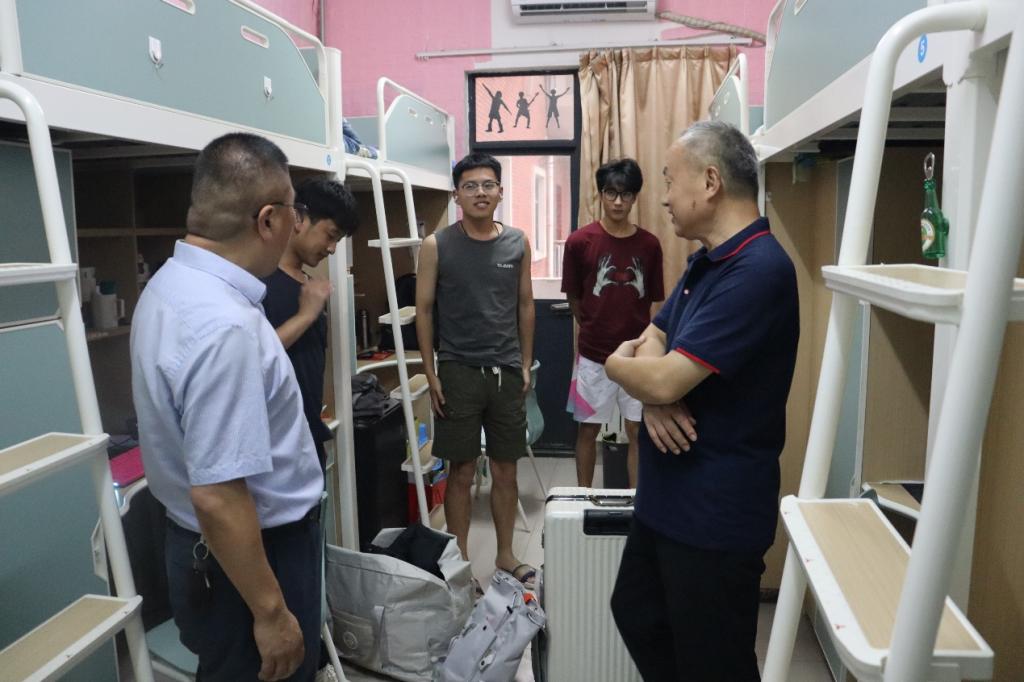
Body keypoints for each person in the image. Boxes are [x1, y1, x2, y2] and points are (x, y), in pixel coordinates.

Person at [605, 121, 799, 682]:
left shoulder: (759, 269)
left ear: (710, 182)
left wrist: (620, 369)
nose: (663, 196)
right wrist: (655, 389)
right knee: (638, 613)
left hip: (715, 511)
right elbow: (656, 337)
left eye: (670, 180)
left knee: (714, 662)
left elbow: (662, 374)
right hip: (668, 499)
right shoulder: (706, 260)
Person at [131, 133, 324, 681]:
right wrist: (271, 612)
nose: (296, 225)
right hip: (251, 559)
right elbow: (217, 495)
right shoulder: (225, 326)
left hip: (200, 548)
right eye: (294, 211)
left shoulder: (169, 285)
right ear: (268, 219)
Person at [415, 152, 537, 592]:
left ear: (500, 192)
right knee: (461, 471)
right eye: (470, 186)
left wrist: (524, 362)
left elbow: (525, 304)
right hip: (458, 371)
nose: (480, 193)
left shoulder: (518, 242)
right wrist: (431, 373)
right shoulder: (438, 245)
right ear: (457, 195)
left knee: (506, 470)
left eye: (488, 185)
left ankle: (505, 554)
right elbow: (424, 310)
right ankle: (462, 564)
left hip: (506, 372)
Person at [561, 158, 663, 488]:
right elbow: (574, 299)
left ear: (635, 197)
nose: (618, 202)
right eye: (611, 193)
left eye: (626, 194)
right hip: (593, 356)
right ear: (601, 194)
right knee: (588, 429)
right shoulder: (580, 242)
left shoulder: (650, 245)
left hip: (638, 356)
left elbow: (652, 300)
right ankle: (582, 498)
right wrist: (595, 326)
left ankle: (638, 502)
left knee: (637, 430)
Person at [262, 178, 359, 473]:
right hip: (275, 445)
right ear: (298, 218)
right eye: (330, 235)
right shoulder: (260, 282)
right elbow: (253, 356)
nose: (332, 249)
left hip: (307, 434)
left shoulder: (308, 285)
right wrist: (305, 316)